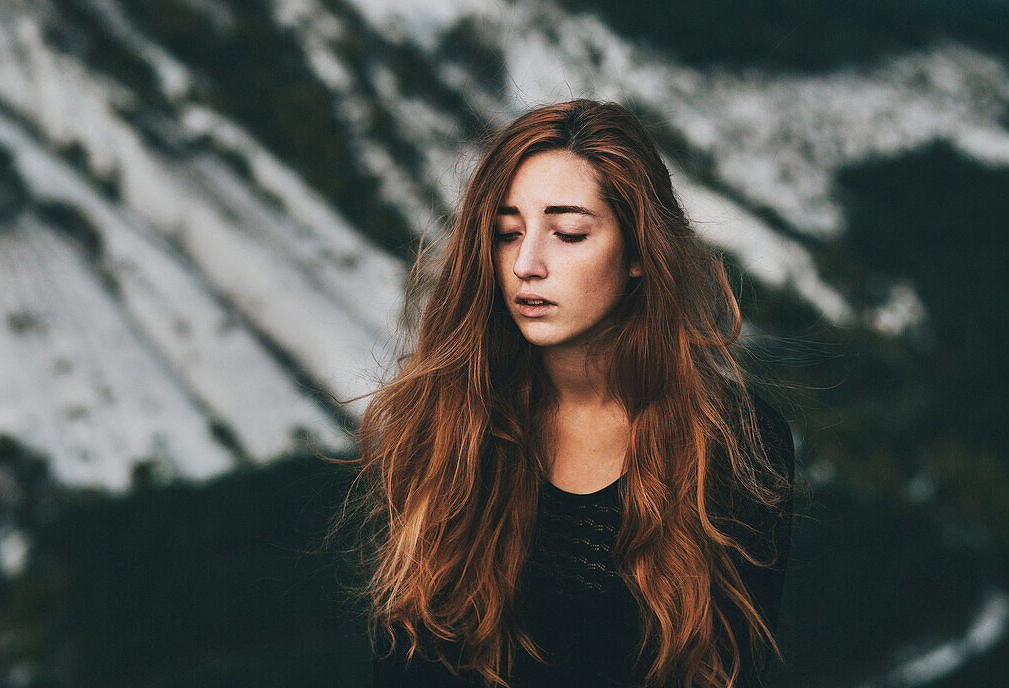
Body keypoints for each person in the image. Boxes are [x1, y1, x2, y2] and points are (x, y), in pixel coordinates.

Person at [334, 99, 797, 688]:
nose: (527, 264)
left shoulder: (737, 442)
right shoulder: (444, 425)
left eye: (569, 233)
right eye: (507, 234)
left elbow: (730, 675)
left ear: (637, 252)